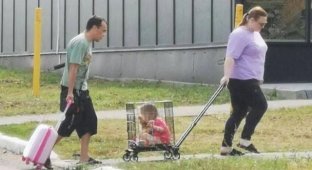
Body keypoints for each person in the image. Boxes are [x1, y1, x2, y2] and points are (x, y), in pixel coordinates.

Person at [44, 15, 107, 169]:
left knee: (89, 122)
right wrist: (70, 92)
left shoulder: (86, 42)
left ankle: (84, 158)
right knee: (68, 125)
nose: (104, 35)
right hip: (73, 90)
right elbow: (73, 68)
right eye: (103, 31)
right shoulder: (81, 43)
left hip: (82, 89)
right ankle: (44, 153)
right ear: (94, 28)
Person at [219, 6, 268, 156]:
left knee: (239, 112)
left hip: (251, 78)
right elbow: (230, 57)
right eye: (261, 23)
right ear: (251, 19)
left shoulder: (255, 33)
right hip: (241, 79)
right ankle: (245, 140)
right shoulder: (239, 34)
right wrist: (226, 76)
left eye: (265, 24)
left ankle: (226, 148)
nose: (263, 26)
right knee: (261, 105)